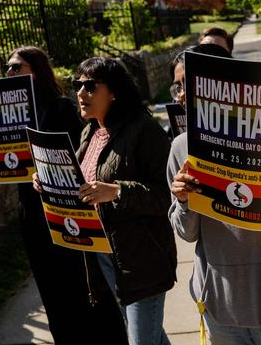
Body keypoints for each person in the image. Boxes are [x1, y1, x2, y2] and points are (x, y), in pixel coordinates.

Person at [0, 46, 127, 344]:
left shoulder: (60, 108)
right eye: (8, 67)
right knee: (52, 289)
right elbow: (8, 168)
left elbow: (82, 159)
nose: (9, 72)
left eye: (17, 67)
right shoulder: (4, 114)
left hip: (67, 211)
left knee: (84, 287)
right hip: (33, 211)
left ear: (37, 70)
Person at [167, 46, 261, 344]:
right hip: (220, 308)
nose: (182, 94)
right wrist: (184, 202)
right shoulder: (181, 148)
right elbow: (186, 233)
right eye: (178, 86)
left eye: (189, 84)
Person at [33, 57, 176, 345]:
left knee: (141, 340)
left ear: (114, 92)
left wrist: (117, 191)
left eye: (89, 86)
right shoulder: (90, 131)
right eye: (77, 85)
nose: (80, 93)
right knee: (150, 335)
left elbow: (166, 196)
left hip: (142, 259)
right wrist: (49, 183)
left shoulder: (144, 130)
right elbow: (82, 186)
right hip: (105, 256)